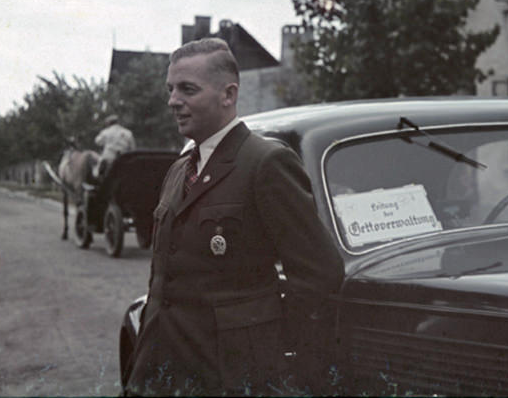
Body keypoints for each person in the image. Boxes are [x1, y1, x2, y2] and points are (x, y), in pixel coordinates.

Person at [124, 38, 344, 396]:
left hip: (230, 379)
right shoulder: (179, 170)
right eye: (171, 89)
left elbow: (319, 273)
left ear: (228, 95)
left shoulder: (265, 163)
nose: (173, 101)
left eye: (187, 89)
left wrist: (276, 360)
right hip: (161, 373)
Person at [93, 114, 136, 180]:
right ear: (117, 122)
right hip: (124, 158)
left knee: (98, 170)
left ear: (108, 123)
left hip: (109, 158)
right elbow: (133, 147)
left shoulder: (106, 132)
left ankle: (99, 181)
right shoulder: (128, 132)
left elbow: (97, 142)